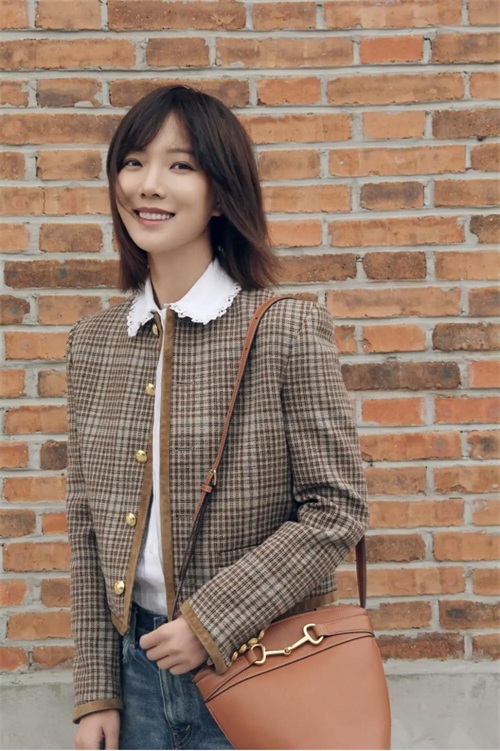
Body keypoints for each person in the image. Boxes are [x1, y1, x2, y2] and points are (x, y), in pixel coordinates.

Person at [66, 85, 369, 751]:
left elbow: (336, 509)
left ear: (221, 193)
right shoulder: (93, 343)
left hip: (264, 666)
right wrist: (97, 692)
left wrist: (211, 620)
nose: (149, 184)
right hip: (136, 676)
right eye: (133, 161)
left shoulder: (285, 329)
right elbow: (88, 526)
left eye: (181, 165)